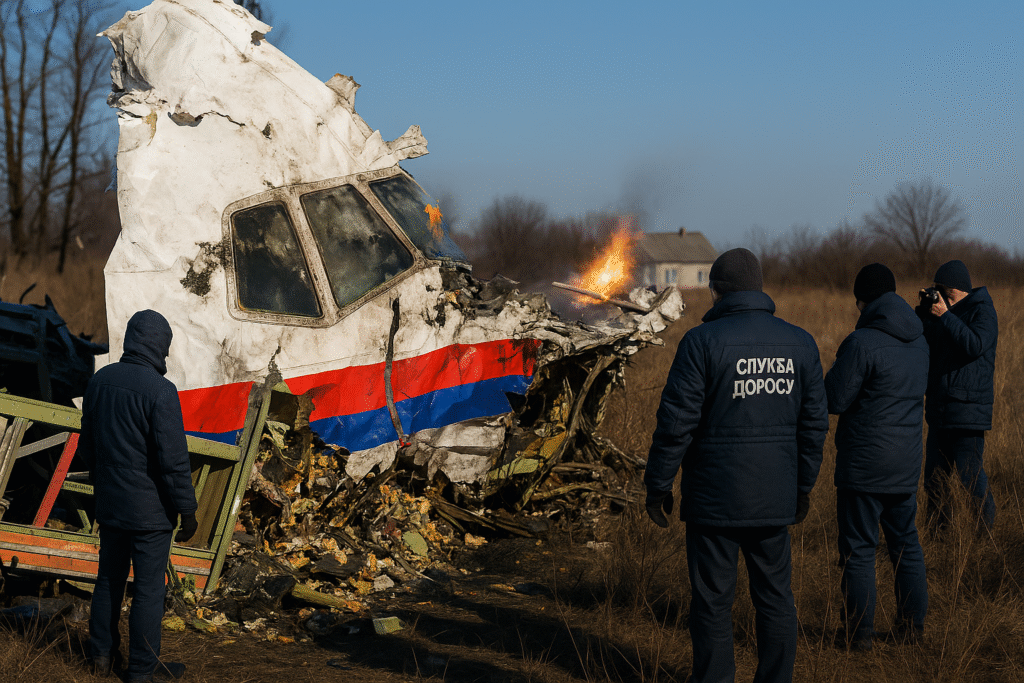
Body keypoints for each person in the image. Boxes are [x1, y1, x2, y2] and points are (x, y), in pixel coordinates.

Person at [644, 248, 828, 683]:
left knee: (711, 602)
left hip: (714, 501)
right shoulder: (800, 343)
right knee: (776, 598)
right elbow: (814, 425)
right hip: (773, 495)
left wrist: (658, 484)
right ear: (759, 288)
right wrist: (802, 487)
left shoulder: (700, 343)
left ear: (716, 291)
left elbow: (676, 425)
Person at [79, 310, 198, 682]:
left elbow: (87, 448)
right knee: (148, 593)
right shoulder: (161, 391)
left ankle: (100, 658)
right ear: (161, 345)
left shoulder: (100, 381)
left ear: (131, 338)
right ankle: (142, 672)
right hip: (151, 515)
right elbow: (173, 462)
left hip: (111, 506)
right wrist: (188, 510)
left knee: (108, 581)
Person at [824, 264, 929, 651]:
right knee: (906, 546)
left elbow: (834, 399)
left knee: (859, 551)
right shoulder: (920, 340)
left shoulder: (862, 342)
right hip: (905, 465)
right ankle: (911, 630)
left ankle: (858, 636)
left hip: (864, 468)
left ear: (863, 301)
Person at [915, 260, 998, 531]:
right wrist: (924, 314)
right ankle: (938, 536)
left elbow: (974, 346)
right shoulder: (942, 313)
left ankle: (984, 536)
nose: (943, 298)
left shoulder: (983, 311)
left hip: (968, 411)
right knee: (934, 479)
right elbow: (926, 342)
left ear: (957, 290)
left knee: (970, 477)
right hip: (940, 409)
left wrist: (945, 315)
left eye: (945, 293)